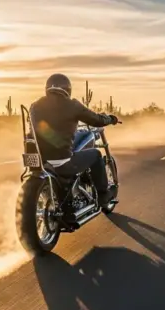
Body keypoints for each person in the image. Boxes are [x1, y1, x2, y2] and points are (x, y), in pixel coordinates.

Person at [30, 73, 120, 209]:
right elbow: (97, 120)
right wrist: (110, 119)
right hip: (62, 163)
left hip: (41, 162)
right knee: (96, 155)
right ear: (68, 89)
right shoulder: (73, 105)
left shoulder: (35, 106)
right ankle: (103, 196)